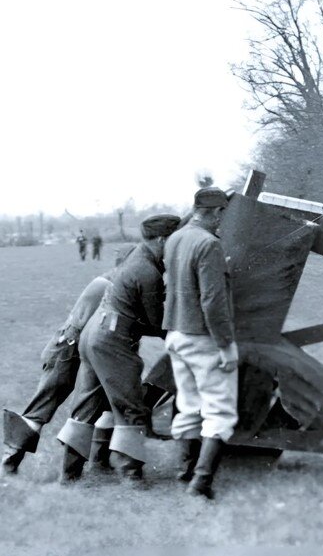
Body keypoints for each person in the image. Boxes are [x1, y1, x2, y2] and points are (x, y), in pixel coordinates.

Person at [57, 215, 181, 483]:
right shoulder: (148, 272)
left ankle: (70, 475)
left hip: (94, 335)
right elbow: (156, 322)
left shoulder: (138, 257)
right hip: (112, 340)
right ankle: (131, 474)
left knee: (88, 406)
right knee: (132, 406)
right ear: (162, 240)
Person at [1, 245, 135, 475]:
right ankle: (8, 462)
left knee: (101, 407)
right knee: (41, 409)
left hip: (81, 353)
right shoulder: (105, 284)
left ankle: (99, 462)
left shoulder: (115, 284)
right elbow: (78, 326)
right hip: (67, 352)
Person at [163, 187, 238, 499]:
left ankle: (185, 472)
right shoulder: (208, 244)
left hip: (176, 333)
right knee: (220, 413)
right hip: (201, 337)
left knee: (189, 406)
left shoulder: (175, 238)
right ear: (218, 213)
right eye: (223, 215)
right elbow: (212, 301)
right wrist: (226, 345)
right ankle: (201, 484)